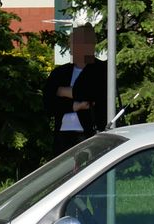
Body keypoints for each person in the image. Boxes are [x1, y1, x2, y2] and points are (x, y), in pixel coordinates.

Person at [43, 23, 107, 156]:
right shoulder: (60, 73)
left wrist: (61, 91)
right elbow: (49, 102)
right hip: (63, 136)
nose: (73, 47)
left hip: (90, 134)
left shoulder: (101, 69)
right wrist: (75, 105)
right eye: (72, 43)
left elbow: (91, 94)